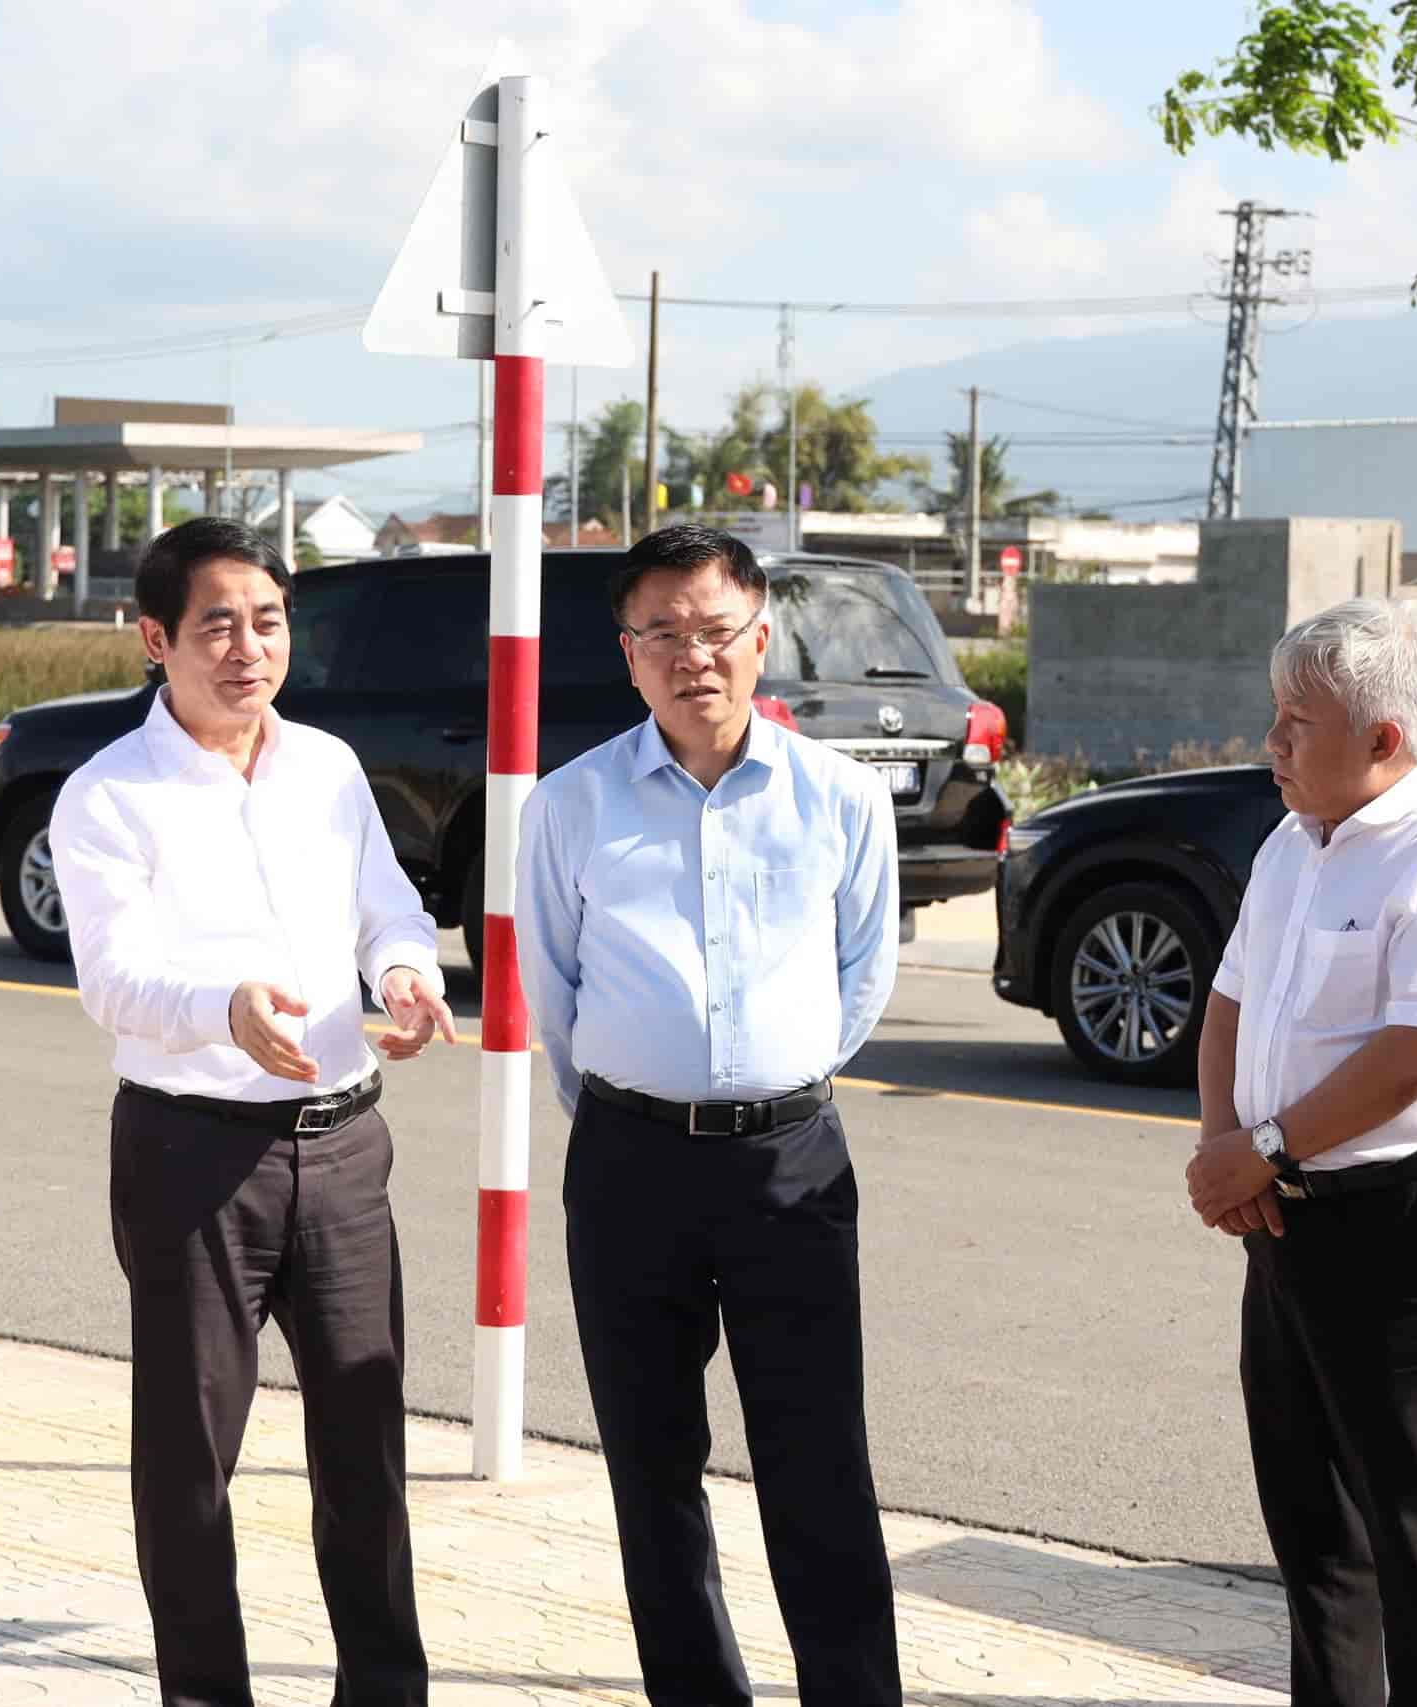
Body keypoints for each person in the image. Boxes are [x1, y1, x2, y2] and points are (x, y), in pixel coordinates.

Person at [49, 517, 458, 1707]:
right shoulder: (107, 794)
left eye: (268, 620)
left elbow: (388, 908)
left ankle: (384, 1690)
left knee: (366, 1453)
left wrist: (407, 977)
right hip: (192, 1156)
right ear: (155, 639)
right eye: (217, 623)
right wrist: (223, 1006)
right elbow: (109, 979)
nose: (247, 647)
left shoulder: (326, 767)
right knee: (190, 1463)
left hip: (343, 1152)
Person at [515, 523, 902, 1707]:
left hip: (790, 1165)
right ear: (628, 656)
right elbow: (554, 987)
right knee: (652, 1463)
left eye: (717, 630)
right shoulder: (569, 804)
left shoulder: (836, 797)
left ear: (762, 638)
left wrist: (765, 1086)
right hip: (629, 1163)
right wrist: (651, 1096)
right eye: (664, 635)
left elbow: (862, 975)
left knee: (817, 1460)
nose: (695, 657)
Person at [1182, 598, 1417, 1707]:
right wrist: (1224, 1147)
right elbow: (1230, 1000)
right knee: (1310, 1525)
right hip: (1283, 1211)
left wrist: (1265, 1147)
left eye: (1297, 721)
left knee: (1412, 1528)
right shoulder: (1292, 842)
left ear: (1384, 740)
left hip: (1398, 1219)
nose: (1272, 742)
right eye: (1274, 715)